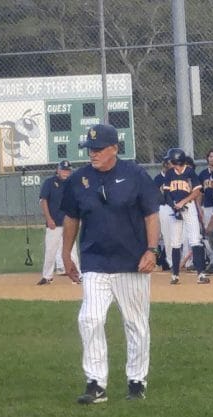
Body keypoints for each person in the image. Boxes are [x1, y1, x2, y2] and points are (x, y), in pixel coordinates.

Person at [61, 124, 160, 403]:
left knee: (136, 324)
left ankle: (137, 381)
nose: (92, 154)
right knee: (89, 319)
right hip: (95, 261)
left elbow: (151, 214)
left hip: (131, 262)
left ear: (114, 149)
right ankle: (96, 384)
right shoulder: (79, 179)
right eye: (89, 149)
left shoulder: (135, 175)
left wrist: (151, 250)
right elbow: (71, 218)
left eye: (98, 149)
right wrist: (66, 253)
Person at [162, 148, 208, 285]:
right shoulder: (170, 173)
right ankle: (175, 275)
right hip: (175, 209)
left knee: (195, 240)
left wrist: (183, 202)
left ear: (176, 161)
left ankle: (201, 274)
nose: (169, 162)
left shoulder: (189, 172)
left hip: (189, 208)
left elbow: (196, 192)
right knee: (175, 242)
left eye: (171, 160)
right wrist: (174, 206)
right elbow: (166, 194)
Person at [37, 160, 80, 285]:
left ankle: (77, 276)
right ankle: (47, 276)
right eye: (63, 169)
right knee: (50, 250)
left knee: (72, 252)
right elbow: (43, 201)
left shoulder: (72, 184)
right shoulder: (49, 183)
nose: (66, 172)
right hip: (54, 223)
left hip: (69, 223)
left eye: (68, 170)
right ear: (58, 170)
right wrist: (49, 219)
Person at [154, 157, 173, 271]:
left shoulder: (173, 177)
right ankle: (165, 261)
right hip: (163, 207)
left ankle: (169, 261)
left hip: (173, 207)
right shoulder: (158, 178)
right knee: (164, 236)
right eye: (169, 165)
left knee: (171, 236)